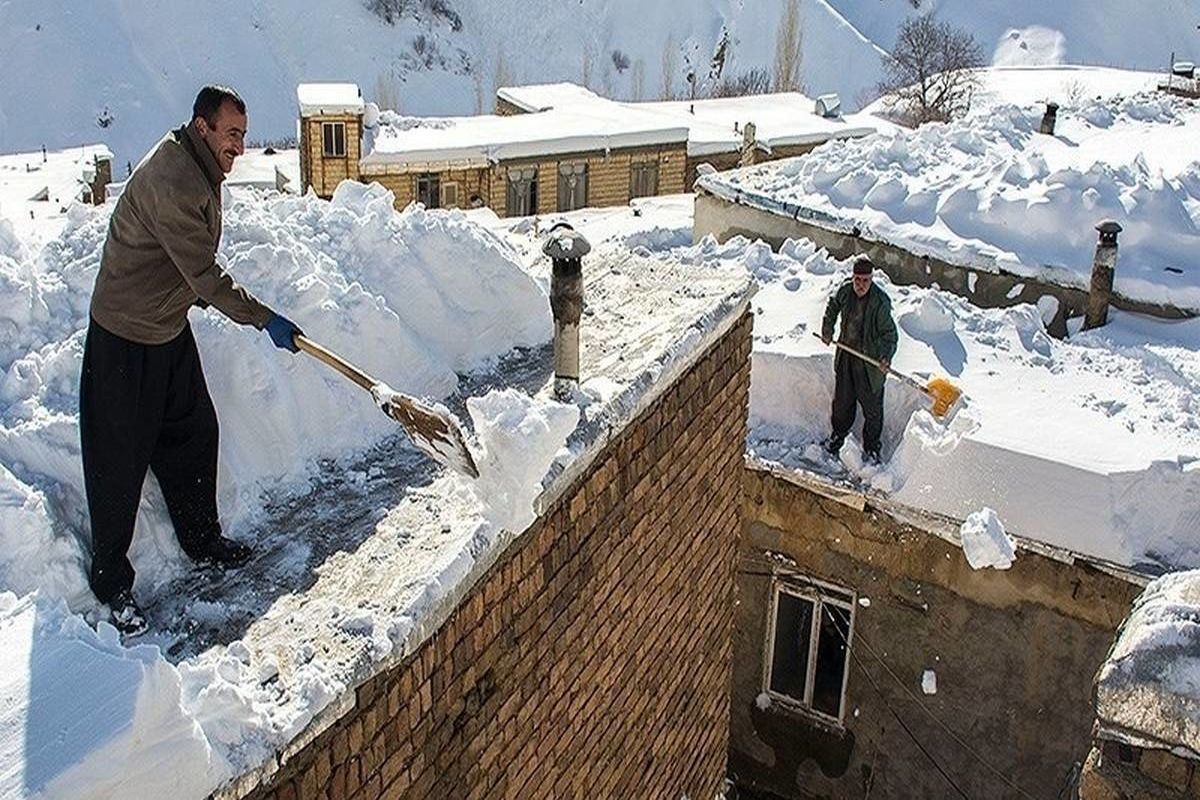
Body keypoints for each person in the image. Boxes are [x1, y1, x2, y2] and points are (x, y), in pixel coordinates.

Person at [81, 85, 303, 635]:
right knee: (118, 464)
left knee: (194, 432)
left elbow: (191, 274)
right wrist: (262, 317)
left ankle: (201, 541)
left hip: (167, 330)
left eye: (244, 135)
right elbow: (202, 276)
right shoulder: (175, 180)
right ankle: (112, 585)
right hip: (124, 341)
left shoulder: (198, 164)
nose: (241, 147)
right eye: (232, 134)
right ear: (201, 127)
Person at [820, 258, 898, 464]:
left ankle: (872, 448)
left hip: (869, 364)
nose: (860, 284)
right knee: (842, 403)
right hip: (847, 357)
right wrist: (827, 329)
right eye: (857, 279)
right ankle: (838, 437)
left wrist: (885, 357)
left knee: (872, 410)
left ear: (871, 279)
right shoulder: (846, 292)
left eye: (864, 280)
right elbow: (833, 306)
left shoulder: (879, 303)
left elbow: (890, 334)